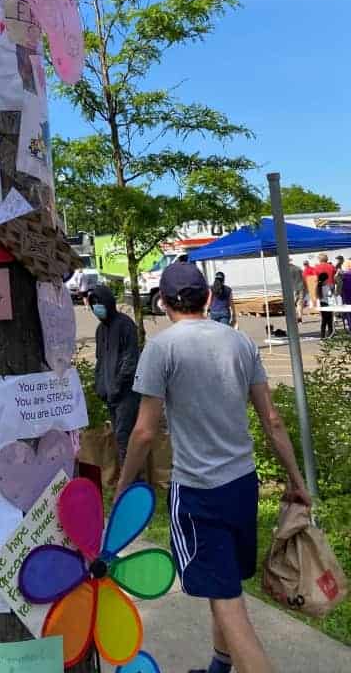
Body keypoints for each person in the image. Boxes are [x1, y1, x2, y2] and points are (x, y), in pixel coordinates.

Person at [117, 262, 311, 673]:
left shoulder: (161, 349)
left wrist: (121, 488)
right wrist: (296, 481)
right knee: (225, 588)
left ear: (164, 304)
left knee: (228, 603)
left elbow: (144, 433)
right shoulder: (240, 344)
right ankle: (219, 667)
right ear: (208, 297)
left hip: (197, 493)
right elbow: (272, 420)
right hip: (242, 486)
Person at [87, 284, 140, 465]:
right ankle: (128, 475)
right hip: (110, 394)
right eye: (93, 304)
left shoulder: (125, 325)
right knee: (119, 438)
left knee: (124, 436)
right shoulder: (101, 330)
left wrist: (117, 387)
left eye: (99, 303)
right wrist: (99, 385)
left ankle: (132, 480)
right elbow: (100, 360)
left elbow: (130, 360)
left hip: (126, 393)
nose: (96, 308)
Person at [317, 271, 334, 340]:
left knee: (324, 321)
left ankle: (322, 335)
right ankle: (330, 335)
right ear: (325, 279)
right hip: (327, 304)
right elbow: (330, 295)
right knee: (329, 321)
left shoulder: (318, 286)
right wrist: (332, 290)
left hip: (321, 304)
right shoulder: (327, 286)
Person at [288, 258, 304, 322]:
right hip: (300, 287)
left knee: (292, 303)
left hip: (292, 288)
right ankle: (300, 317)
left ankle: (294, 318)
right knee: (299, 303)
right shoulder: (298, 268)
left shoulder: (286, 269)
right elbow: (303, 277)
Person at [341, 259, 351, 332]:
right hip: (347, 295)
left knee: (349, 313)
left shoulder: (344, 276)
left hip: (347, 296)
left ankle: (350, 327)